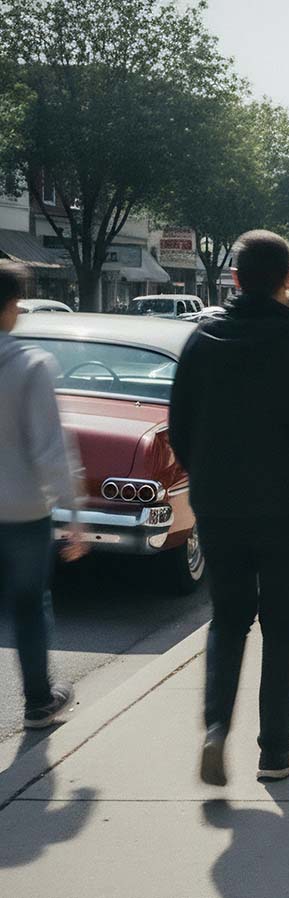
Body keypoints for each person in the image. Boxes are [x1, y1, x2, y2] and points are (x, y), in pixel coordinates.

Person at [169, 230, 289, 786]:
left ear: (236, 279)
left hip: (220, 506)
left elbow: (179, 427)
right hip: (287, 511)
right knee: (281, 625)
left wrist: (207, 478)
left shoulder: (202, 341)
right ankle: (275, 750)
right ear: (287, 281)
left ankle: (215, 726)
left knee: (227, 619)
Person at [0, 260, 85, 729]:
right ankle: (37, 701)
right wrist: (74, 512)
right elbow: (50, 449)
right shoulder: (30, 365)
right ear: (12, 307)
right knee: (30, 604)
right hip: (23, 510)